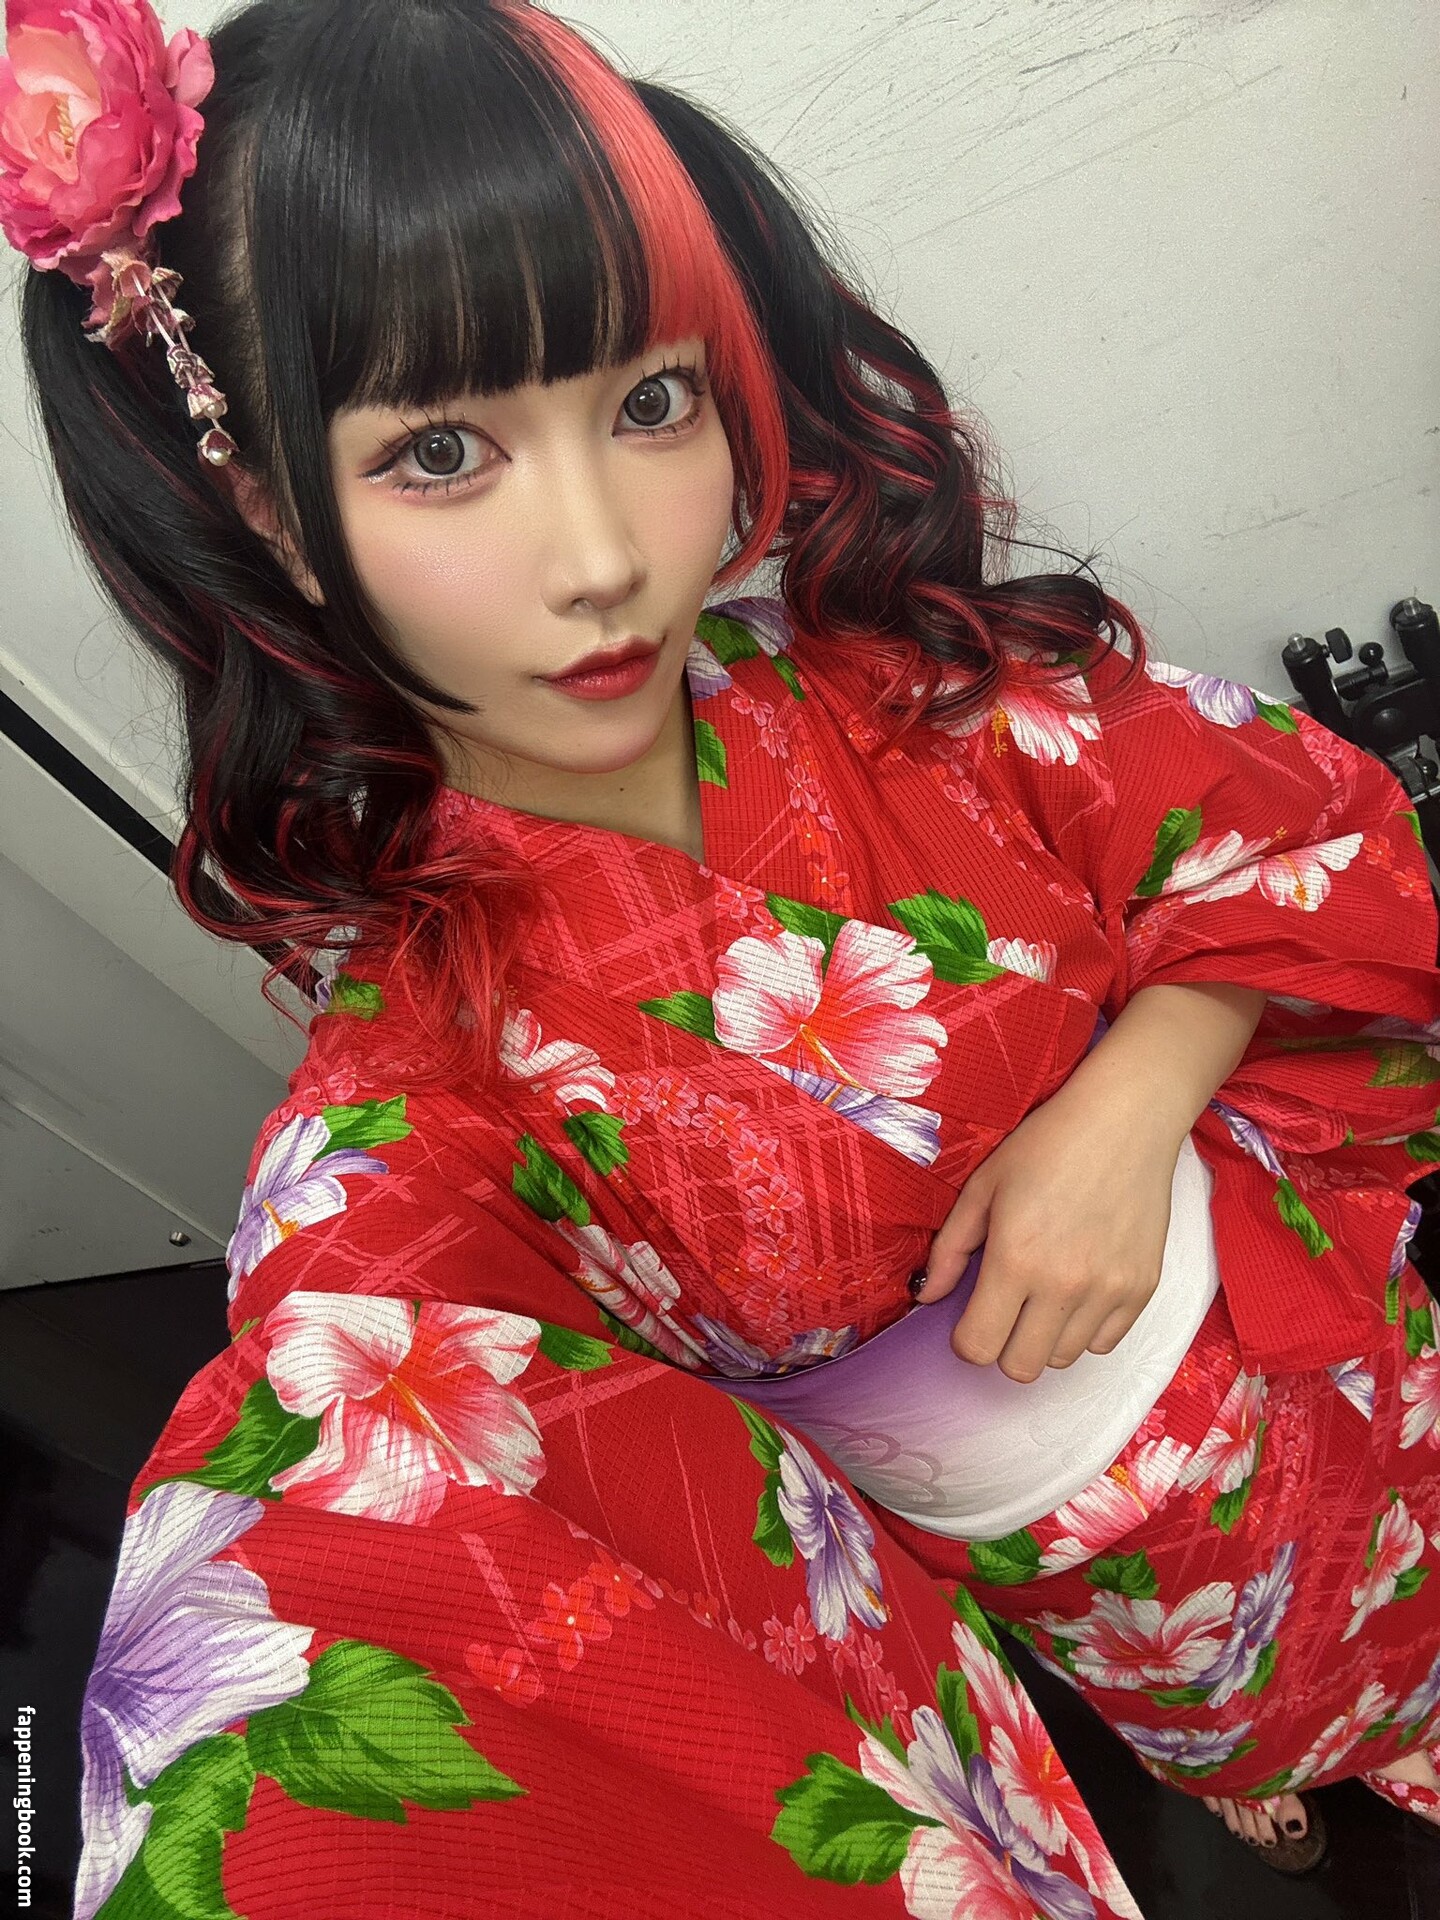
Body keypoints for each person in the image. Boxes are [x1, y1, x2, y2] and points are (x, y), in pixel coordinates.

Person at [5, 0, 1438, 1910]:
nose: (604, 555)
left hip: (1330, 1365)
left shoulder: (915, 692)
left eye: (650, 403)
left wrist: (1134, 1096)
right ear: (264, 502)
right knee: (1232, 1700)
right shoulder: (418, 1107)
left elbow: (1292, 839)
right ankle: (1265, 1739)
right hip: (1094, 1565)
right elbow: (345, 1507)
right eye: (443, 450)